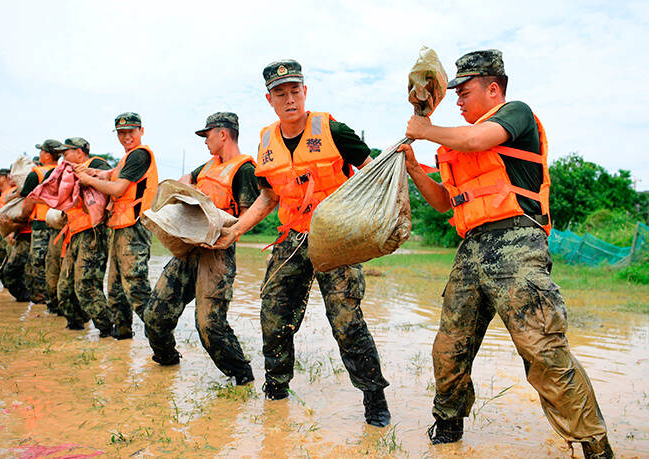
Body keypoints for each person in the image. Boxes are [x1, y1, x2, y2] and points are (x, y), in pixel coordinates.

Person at [400, 49, 612, 458]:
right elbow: (445, 202)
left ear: (493, 89)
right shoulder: (452, 146)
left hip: (516, 243)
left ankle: (594, 447)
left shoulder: (515, 113)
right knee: (449, 348)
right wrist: (414, 168)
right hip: (471, 249)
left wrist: (426, 129)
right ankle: (448, 431)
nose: (457, 99)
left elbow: (480, 138)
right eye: (455, 91)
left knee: (543, 351)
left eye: (465, 91)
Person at [210, 60, 390, 427]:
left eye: (295, 91)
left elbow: (373, 174)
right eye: (281, 93)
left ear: (305, 92)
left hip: (335, 238)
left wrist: (367, 224)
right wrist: (235, 229)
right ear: (269, 98)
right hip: (292, 237)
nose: (289, 98)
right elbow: (267, 198)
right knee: (273, 314)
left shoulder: (333, 129)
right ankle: (276, 390)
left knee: (346, 321)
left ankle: (374, 398)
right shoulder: (265, 142)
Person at [143, 112, 256, 385]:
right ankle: (167, 362)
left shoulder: (245, 170)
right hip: (188, 248)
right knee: (155, 316)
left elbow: (247, 216)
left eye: (207, 136)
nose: (205, 141)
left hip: (217, 253)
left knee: (209, 326)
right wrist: (186, 188)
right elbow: (185, 178)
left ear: (223, 134)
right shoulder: (206, 167)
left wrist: (222, 233)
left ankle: (243, 377)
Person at [74, 112, 157, 340]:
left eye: (131, 131)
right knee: (116, 289)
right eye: (121, 133)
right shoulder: (126, 158)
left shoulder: (140, 155)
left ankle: (162, 338)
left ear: (141, 131)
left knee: (136, 288)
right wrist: (97, 172)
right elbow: (112, 175)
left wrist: (89, 180)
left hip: (135, 227)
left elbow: (119, 189)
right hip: (121, 227)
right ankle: (122, 336)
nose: (126, 136)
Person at [57, 137, 113, 336]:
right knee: (64, 289)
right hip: (74, 234)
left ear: (79, 152)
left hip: (93, 234)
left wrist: (88, 176)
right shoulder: (68, 172)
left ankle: (109, 328)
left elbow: (111, 181)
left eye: (66, 151)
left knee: (85, 286)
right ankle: (76, 326)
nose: (63, 155)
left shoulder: (97, 164)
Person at [16, 140, 65, 305]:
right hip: (60, 223)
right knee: (56, 263)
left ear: (48, 155)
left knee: (38, 262)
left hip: (41, 223)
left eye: (41, 151)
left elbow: (29, 201)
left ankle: (43, 300)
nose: (39, 155)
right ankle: (57, 297)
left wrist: (21, 219)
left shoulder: (36, 173)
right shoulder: (63, 171)